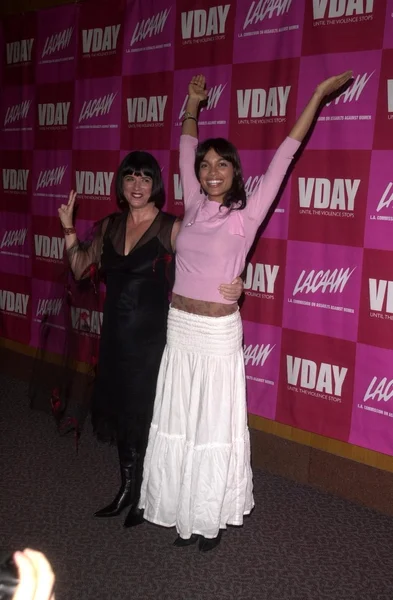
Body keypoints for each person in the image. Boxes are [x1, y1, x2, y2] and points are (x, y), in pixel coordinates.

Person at [139, 71, 353, 551]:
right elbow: (185, 145)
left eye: (222, 166)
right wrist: (192, 104)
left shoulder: (246, 215)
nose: (211, 172)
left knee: (212, 423)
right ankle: (178, 509)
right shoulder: (192, 204)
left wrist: (316, 92)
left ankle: (208, 515)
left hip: (216, 334)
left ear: (235, 173)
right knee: (179, 418)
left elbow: (284, 156)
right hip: (181, 327)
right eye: (206, 166)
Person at [58, 151, 244, 527]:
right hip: (115, 336)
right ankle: (127, 488)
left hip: (154, 339)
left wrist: (238, 282)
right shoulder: (109, 226)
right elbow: (79, 269)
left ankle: (145, 494)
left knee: (149, 415)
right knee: (122, 411)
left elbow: (211, 257)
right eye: (130, 178)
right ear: (121, 186)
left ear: (155, 184)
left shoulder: (171, 227)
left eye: (145, 178)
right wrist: (68, 229)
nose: (137, 185)